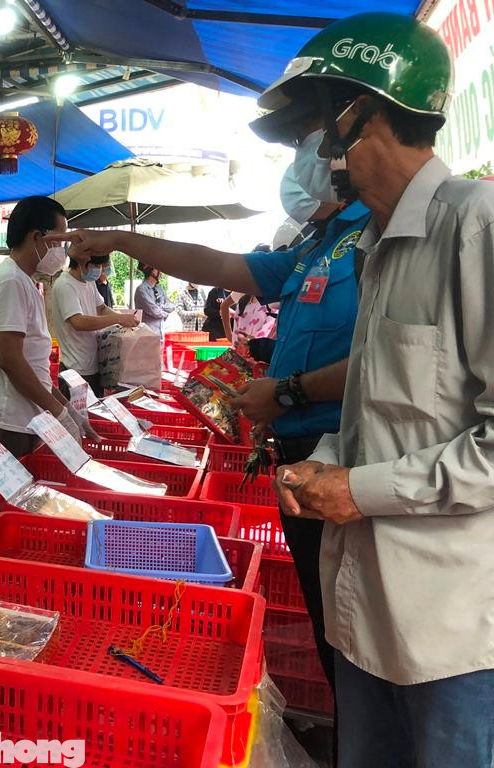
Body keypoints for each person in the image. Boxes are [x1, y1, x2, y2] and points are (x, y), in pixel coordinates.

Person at [50, 108, 372, 726]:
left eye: (308, 143)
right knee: (331, 615)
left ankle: (363, 734)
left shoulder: (373, 236)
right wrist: (120, 240)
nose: (299, 162)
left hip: (348, 453)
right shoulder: (316, 245)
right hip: (300, 455)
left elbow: (386, 357)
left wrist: (289, 392)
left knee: (357, 624)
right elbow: (217, 265)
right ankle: (352, 732)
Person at [262, 13, 494, 767]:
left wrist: (361, 489)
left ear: (362, 115)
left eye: (315, 129)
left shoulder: (476, 229)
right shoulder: (373, 252)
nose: (311, 153)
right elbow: (376, 411)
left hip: (451, 638)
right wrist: (324, 464)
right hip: (361, 613)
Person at [0, 196, 98, 521]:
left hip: (24, 418)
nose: (64, 251)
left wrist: (65, 407)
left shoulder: (26, 281)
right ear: (35, 237)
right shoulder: (11, 281)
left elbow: (34, 365)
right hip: (8, 421)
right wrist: (58, 411)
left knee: (18, 509)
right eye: (60, 240)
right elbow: (12, 361)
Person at [50, 252, 139, 398]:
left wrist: (124, 319)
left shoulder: (89, 282)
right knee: (78, 418)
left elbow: (102, 308)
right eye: (96, 266)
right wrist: (118, 319)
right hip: (75, 369)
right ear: (82, 260)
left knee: (96, 415)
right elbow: (78, 322)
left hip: (94, 366)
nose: (99, 270)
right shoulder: (65, 285)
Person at [133, 266, 174, 337]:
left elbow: (172, 306)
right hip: (147, 335)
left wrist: (160, 307)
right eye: (158, 269)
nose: (161, 273)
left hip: (161, 333)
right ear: (151, 271)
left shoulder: (159, 288)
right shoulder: (141, 290)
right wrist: (165, 313)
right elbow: (155, 311)